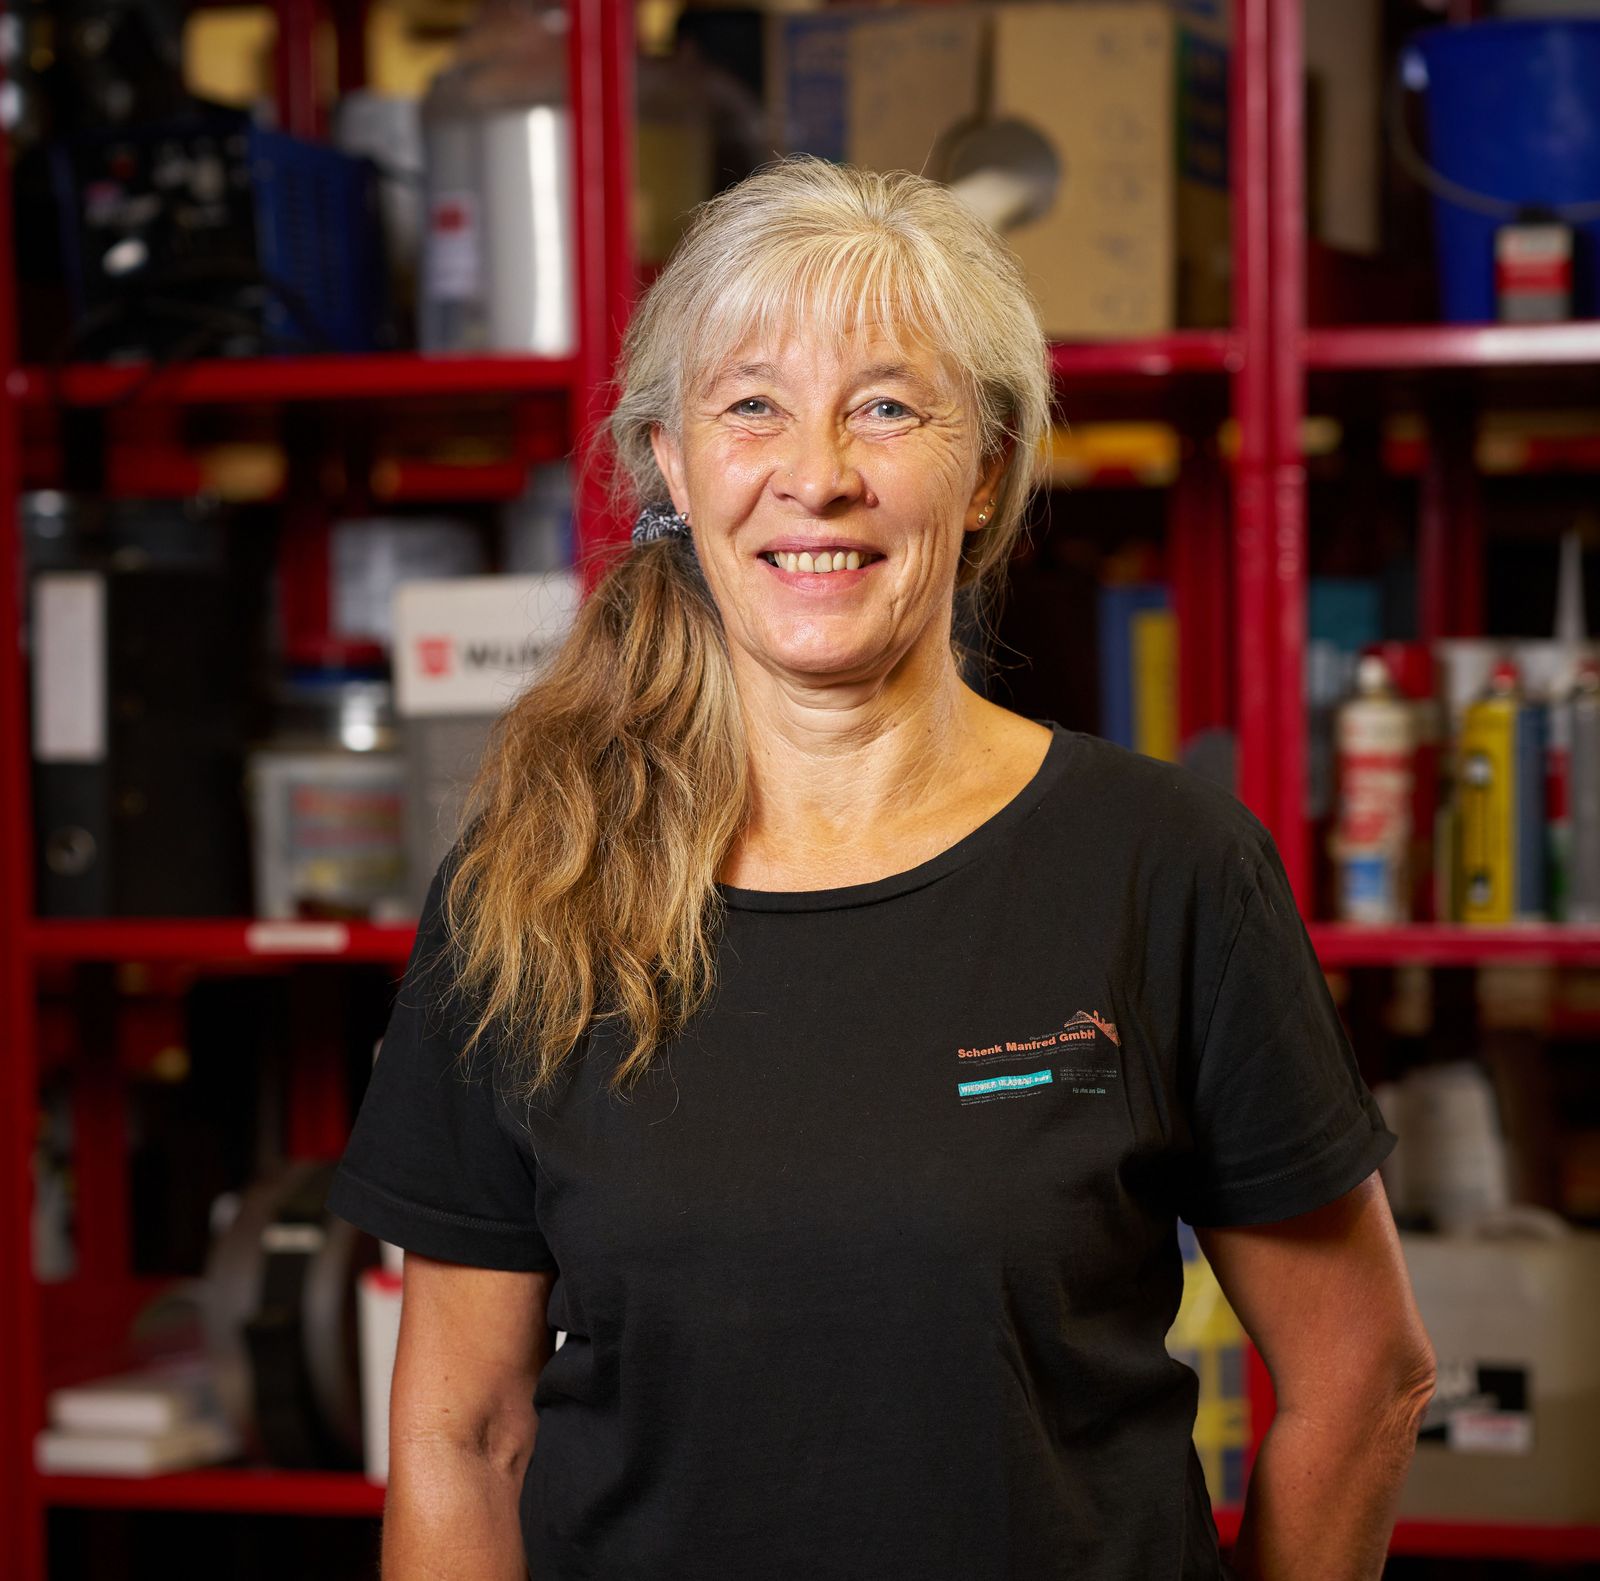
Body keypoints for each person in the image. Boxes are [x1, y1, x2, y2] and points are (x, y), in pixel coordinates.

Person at [326, 156, 1435, 1581]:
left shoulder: (1166, 869)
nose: (819, 476)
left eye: (889, 408)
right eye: (752, 407)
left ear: (987, 472)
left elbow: (1364, 1375)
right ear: (674, 465)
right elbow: (460, 1436)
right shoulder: (532, 887)